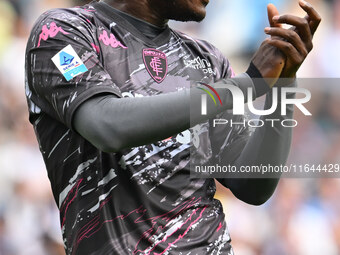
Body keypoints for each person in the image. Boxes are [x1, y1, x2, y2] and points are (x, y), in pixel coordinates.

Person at [24, 0, 320, 254]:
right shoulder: (64, 32)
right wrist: (247, 83)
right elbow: (107, 125)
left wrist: (284, 84)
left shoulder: (207, 60)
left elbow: (253, 185)